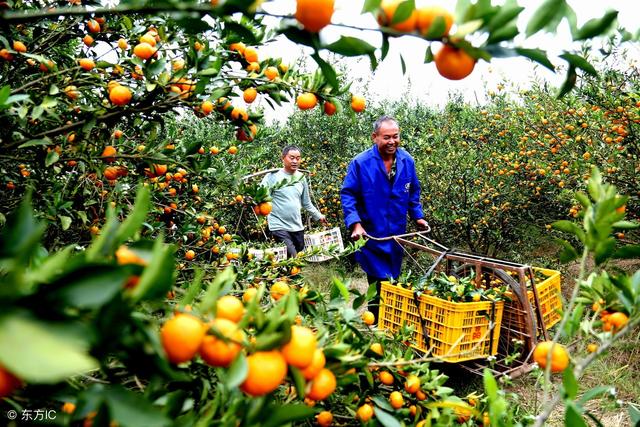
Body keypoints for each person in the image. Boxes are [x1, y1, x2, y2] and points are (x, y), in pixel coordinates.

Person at [340, 115, 429, 321]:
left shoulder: (407, 161)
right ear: (375, 137)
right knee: (377, 280)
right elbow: (348, 194)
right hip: (372, 232)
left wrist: (417, 216)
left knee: (394, 279)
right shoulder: (361, 163)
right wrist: (355, 224)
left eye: (395, 137)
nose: (392, 142)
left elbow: (413, 191)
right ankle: (376, 320)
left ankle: (390, 321)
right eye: (386, 137)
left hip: (397, 233)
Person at [260, 145, 328, 257]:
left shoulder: (301, 178)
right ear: (283, 158)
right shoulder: (272, 176)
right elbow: (261, 196)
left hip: (297, 226)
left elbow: (306, 203)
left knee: (296, 255)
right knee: (293, 258)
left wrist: (318, 216)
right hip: (278, 225)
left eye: (298, 158)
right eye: (291, 158)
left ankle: (282, 274)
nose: (295, 161)